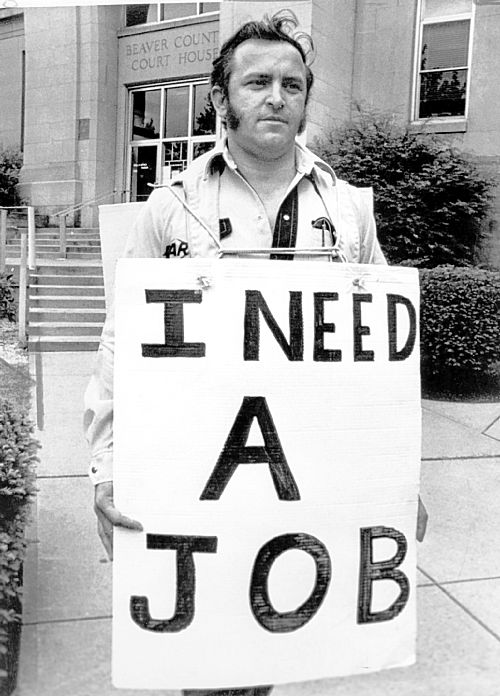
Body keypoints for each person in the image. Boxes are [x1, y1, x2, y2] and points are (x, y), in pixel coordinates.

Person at [84, 10, 427, 696]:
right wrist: (107, 466)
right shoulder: (170, 207)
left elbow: (382, 362)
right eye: (258, 82)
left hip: (308, 469)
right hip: (200, 469)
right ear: (222, 98)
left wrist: (396, 479)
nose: (276, 97)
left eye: (292, 85)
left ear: (305, 100)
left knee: (271, 643)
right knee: (203, 657)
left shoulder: (350, 210)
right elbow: (121, 343)